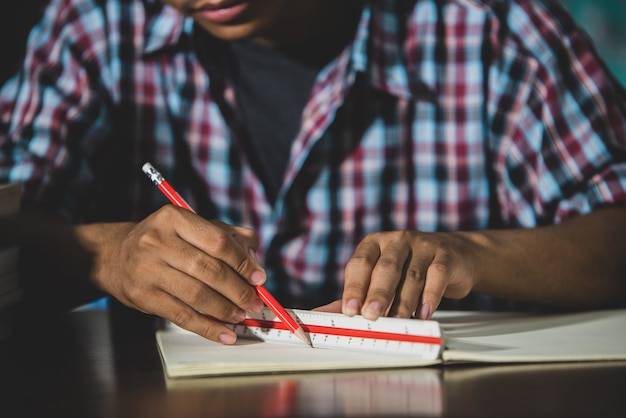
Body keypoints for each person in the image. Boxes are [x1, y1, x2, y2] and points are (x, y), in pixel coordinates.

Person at [1, 0, 625, 345]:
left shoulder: (493, 29)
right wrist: (107, 254)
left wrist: (472, 254)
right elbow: (10, 230)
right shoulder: (93, 27)